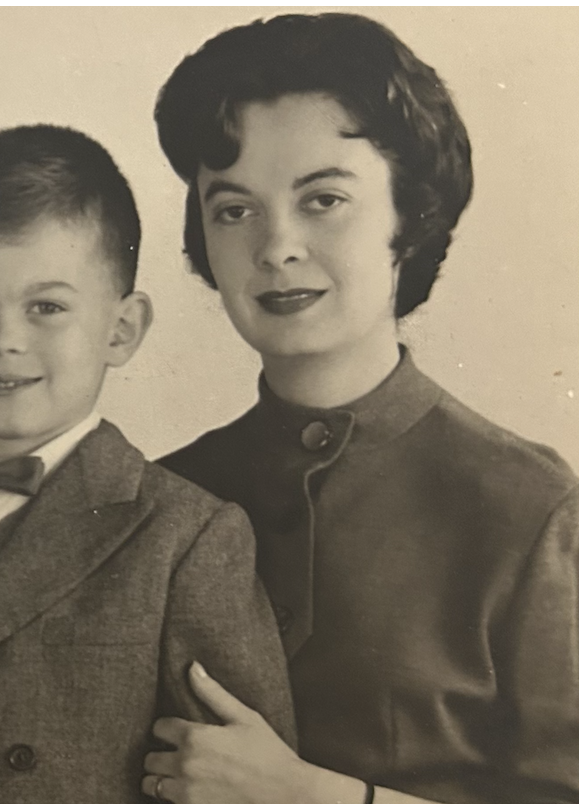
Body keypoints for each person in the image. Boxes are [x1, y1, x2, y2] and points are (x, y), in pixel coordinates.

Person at [146, 13, 579, 804]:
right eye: (233, 209)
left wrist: (306, 796)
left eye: (323, 200)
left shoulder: (528, 509)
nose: (276, 246)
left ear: (408, 218)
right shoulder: (155, 499)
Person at [0, 124, 295, 804]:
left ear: (122, 329)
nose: (4, 340)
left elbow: (246, 790)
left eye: (46, 307)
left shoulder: (184, 540)